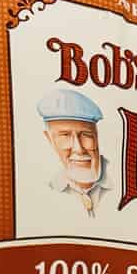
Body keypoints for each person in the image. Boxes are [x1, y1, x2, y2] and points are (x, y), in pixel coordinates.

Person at [37, 86, 110, 217]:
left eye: (86, 135)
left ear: (97, 136)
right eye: (65, 135)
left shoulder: (118, 178)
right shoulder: (46, 189)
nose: (79, 149)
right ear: (50, 140)